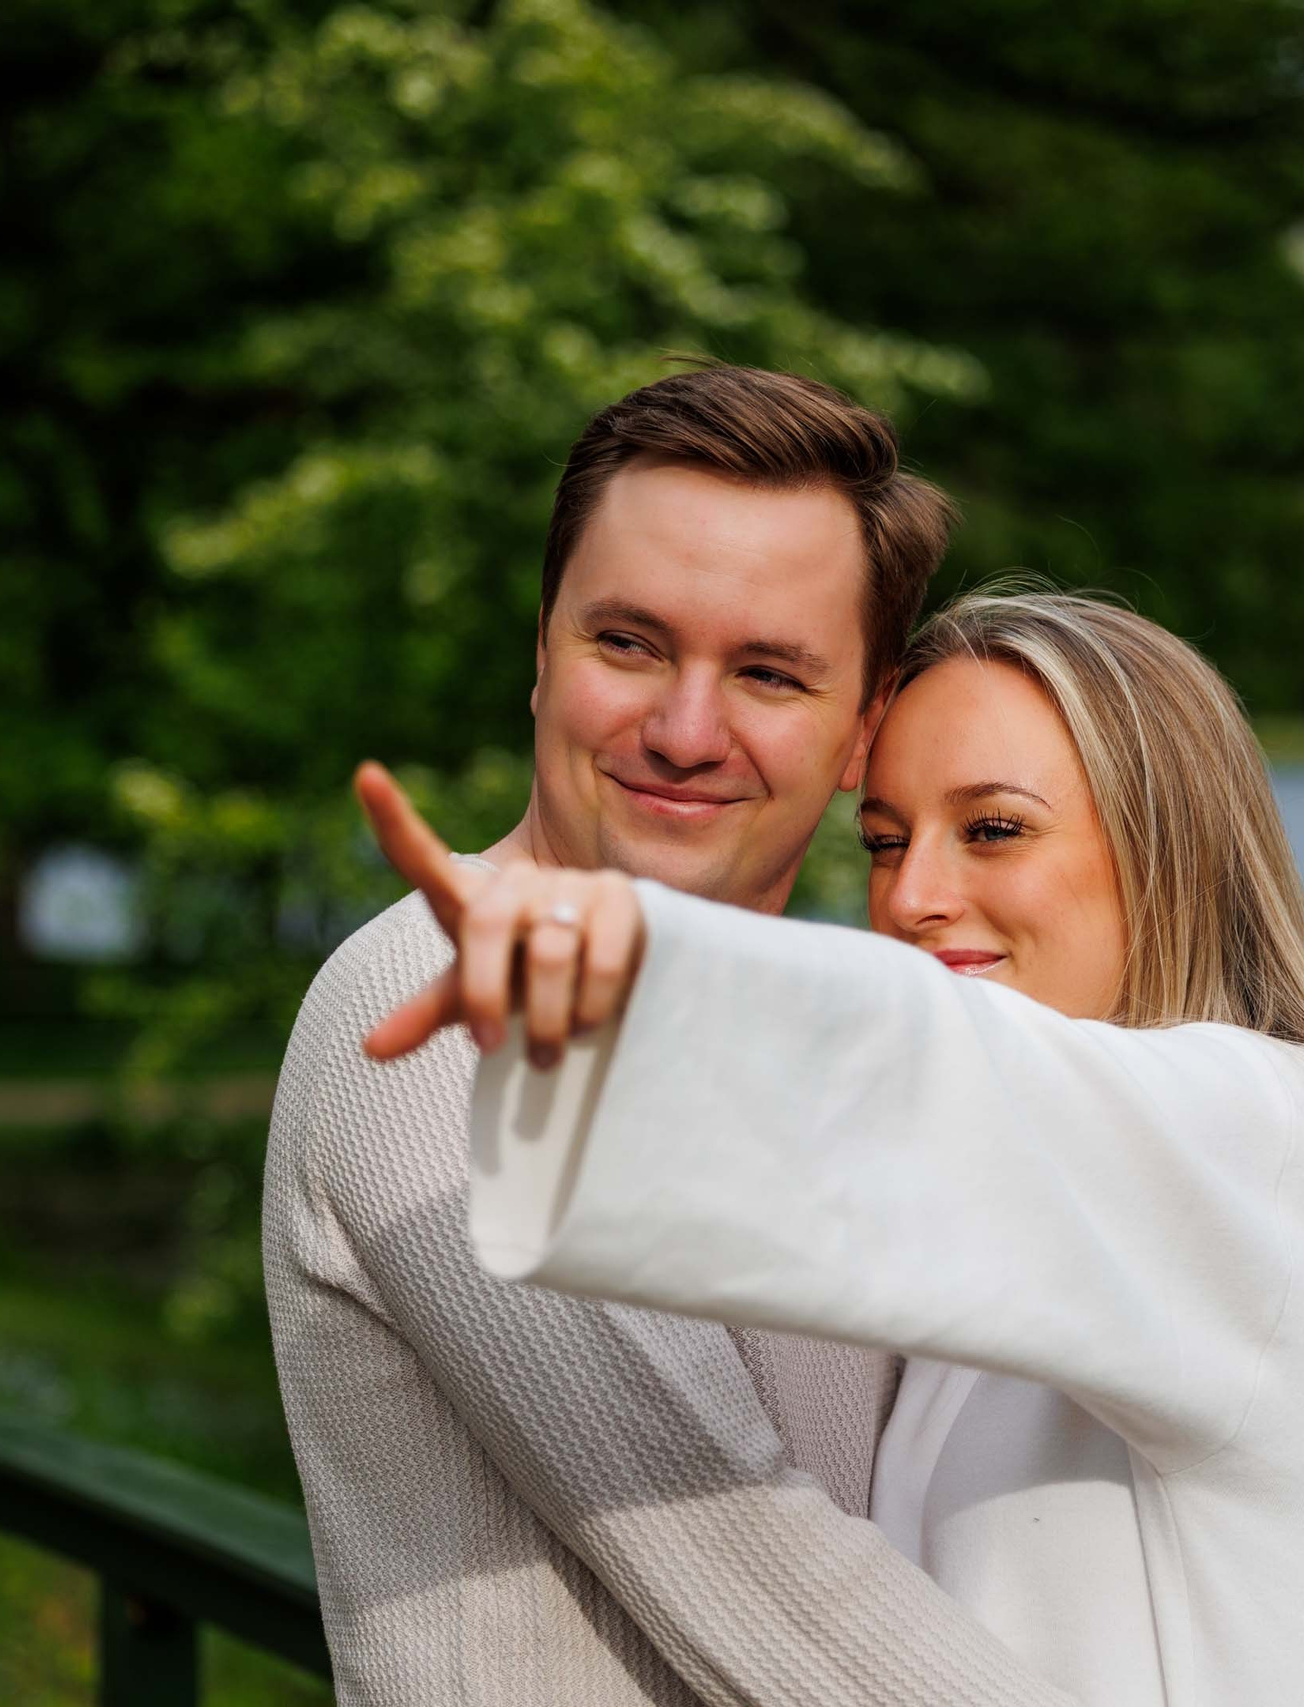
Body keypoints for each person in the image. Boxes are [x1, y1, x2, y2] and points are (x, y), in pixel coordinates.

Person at [357, 590, 1304, 1705]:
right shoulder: (1028, 1225)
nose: (912, 895)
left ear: (1169, 853)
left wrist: (618, 970)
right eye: (883, 840)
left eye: (992, 829)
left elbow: (916, 1061)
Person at [265, 368, 1074, 1705]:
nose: (685, 731)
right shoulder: (432, 996)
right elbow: (770, 1583)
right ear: (541, 654)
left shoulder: (831, 1027)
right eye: (629, 643)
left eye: (766, 671)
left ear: (861, 732)